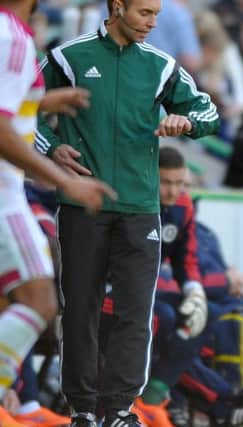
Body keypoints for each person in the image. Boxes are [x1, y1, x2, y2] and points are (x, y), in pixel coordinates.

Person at [34, 0, 220, 424]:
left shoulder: (161, 65)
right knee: (80, 310)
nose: (153, 23)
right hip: (83, 205)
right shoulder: (68, 56)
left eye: (156, 14)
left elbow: (207, 111)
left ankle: (119, 409)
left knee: (136, 313)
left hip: (140, 208)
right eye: (144, 13)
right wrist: (51, 148)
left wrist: (184, 123)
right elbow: (24, 110)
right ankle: (81, 410)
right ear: (117, 7)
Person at [0, 0, 115, 409]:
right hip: (3, 193)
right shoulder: (10, 35)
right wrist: (64, 180)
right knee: (39, 301)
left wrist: (41, 103)